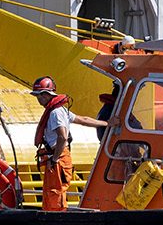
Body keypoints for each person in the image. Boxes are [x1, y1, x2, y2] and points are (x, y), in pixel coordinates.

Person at [30, 76, 106, 212]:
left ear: (48, 94)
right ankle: (50, 217)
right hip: (57, 157)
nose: (39, 99)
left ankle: (56, 220)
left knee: (55, 192)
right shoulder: (60, 110)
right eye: (37, 96)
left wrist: (54, 159)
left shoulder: (55, 113)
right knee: (51, 192)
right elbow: (83, 119)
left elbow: (62, 136)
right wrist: (106, 123)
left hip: (57, 158)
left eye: (41, 95)